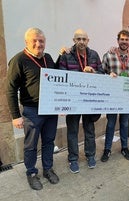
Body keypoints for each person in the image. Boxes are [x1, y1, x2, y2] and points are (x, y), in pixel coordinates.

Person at [6, 27, 59, 190]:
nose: (38, 43)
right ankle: (31, 173)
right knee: (31, 145)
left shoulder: (48, 58)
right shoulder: (18, 60)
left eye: (41, 40)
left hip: (50, 110)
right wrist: (16, 116)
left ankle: (48, 169)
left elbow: (57, 79)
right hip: (31, 111)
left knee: (49, 141)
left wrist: (62, 102)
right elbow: (10, 89)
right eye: (34, 40)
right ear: (27, 42)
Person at [57, 29, 103, 173]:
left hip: (89, 100)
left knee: (90, 129)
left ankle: (90, 156)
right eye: (78, 39)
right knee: (72, 131)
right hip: (73, 101)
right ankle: (73, 159)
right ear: (74, 40)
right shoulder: (66, 56)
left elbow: (102, 73)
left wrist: (94, 72)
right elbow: (61, 76)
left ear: (88, 40)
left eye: (84, 39)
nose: (81, 42)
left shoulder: (94, 55)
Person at [101, 30, 129, 162]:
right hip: (112, 96)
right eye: (122, 39)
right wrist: (107, 76)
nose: (124, 42)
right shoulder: (109, 55)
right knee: (110, 123)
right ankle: (107, 149)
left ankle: (124, 147)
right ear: (118, 40)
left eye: (127, 40)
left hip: (126, 97)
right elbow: (101, 72)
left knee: (125, 123)